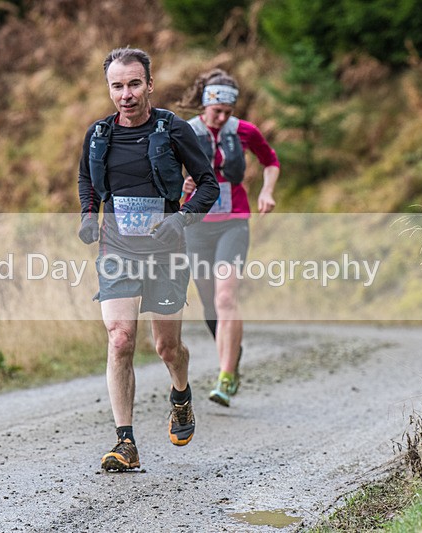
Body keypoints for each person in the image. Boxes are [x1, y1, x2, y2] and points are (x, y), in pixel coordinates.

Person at [77, 48, 219, 472]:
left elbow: (208, 184)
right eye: (117, 86)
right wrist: (88, 215)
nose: (126, 94)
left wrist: (182, 219)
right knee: (120, 337)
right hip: (117, 248)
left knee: (166, 347)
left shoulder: (172, 129)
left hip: (165, 252)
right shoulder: (98, 134)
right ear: (109, 89)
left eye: (134, 84)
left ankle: (181, 395)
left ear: (150, 85)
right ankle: (126, 443)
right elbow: (87, 178)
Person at [179, 68, 280, 408]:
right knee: (209, 302)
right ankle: (232, 352)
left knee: (225, 297)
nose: (222, 117)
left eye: (228, 112)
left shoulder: (244, 132)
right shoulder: (185, 132)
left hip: (233, 222)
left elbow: (271, 161)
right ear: (205, 104)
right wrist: (182, 185)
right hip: (197, 223)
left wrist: (266, 191)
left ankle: (225, 376)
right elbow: (163, 170)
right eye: (217, 110)